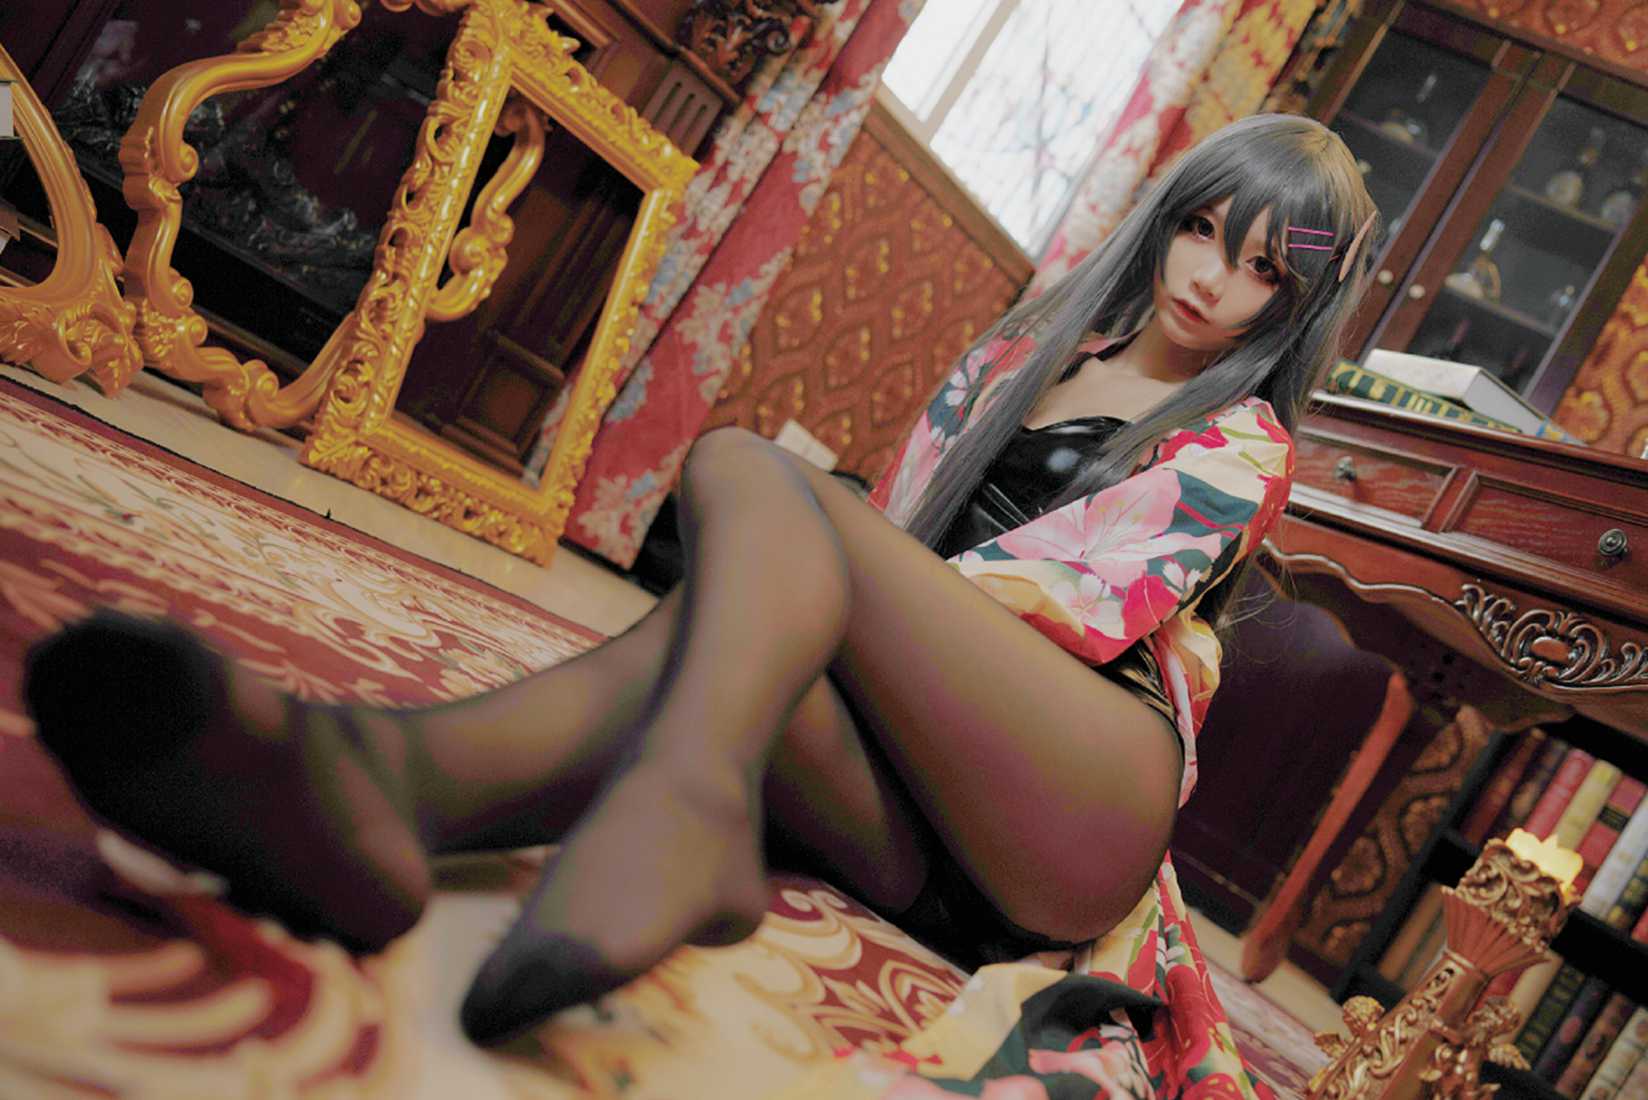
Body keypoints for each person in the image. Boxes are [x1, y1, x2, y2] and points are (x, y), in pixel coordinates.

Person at [22, 113, 1379, 1066]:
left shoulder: (1240, 446)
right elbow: (895, 541)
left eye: (1264, 269)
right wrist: (811, 608)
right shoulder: (1030, 351)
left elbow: (1065, 610)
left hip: (1073, 796)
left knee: (753, 486)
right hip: (926, 828)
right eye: (1204, 230)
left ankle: (671, 805)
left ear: (1294, 306)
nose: (1214, 278)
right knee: (726, 647)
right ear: (1167, 218)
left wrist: (829, 592)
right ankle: (366, 790)